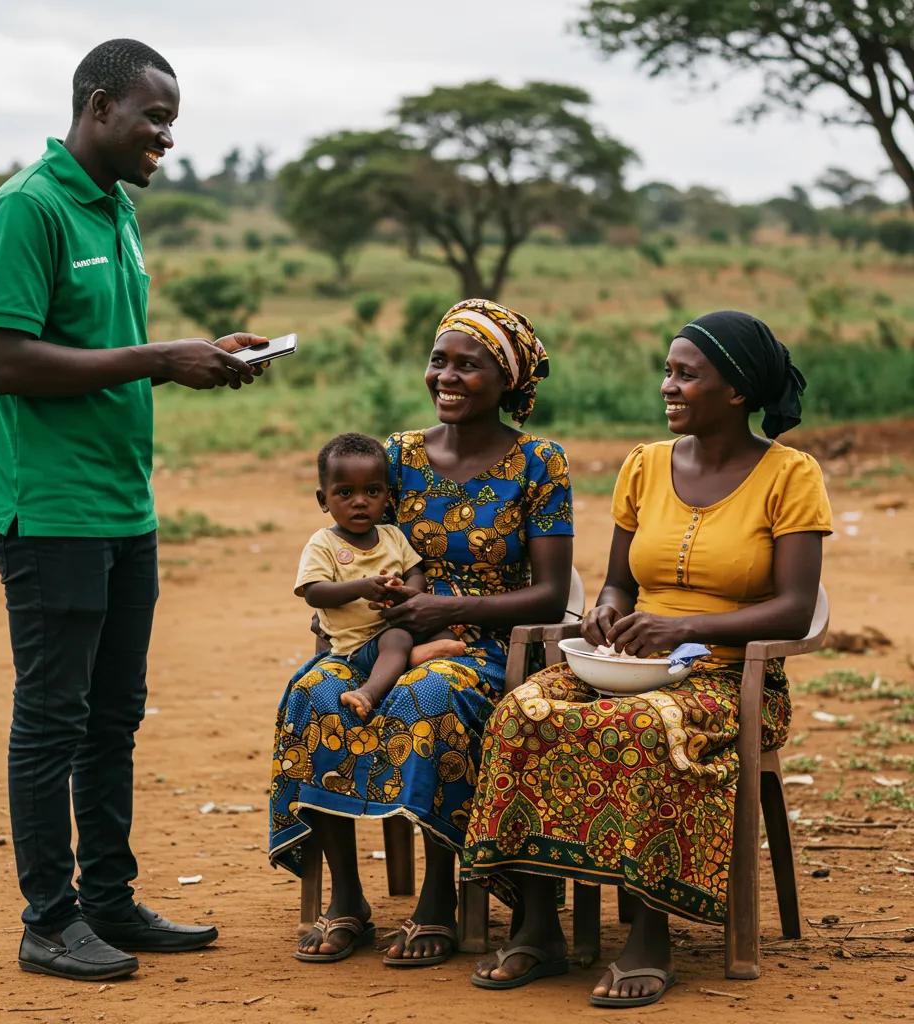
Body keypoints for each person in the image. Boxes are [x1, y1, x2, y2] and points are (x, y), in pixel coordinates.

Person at [0, 39, 270, 982]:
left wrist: (194, 355)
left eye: (172, 122)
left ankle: (106, 900)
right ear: (99, 107)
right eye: (154, 118)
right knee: (53, 717)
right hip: (48, 507)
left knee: (114, 716)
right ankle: (48, 922)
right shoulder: (28, 208)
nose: (166, 138)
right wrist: (159, 358)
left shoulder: (115, 207)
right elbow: (7, 362)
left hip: (122, 503)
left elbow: (104, 343)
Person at [463, 310, 832, 1004]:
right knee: (521, 713)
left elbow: (793, 606)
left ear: (736, 390)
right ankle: (538, 926)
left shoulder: (790, 475)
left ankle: (649, 935)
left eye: (686, 375)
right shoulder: (645, 464)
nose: (668, 386)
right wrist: (607, 610)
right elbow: (618, 582)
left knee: (643, 728)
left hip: (727, 678)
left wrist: (683, 627)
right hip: (625, 663)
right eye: (667, 370)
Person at [269, 298, 573, 966]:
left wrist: (444, 609)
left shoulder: (539, 462)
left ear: (507, 380)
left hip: (490, 646)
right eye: (439, 361)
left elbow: (552, 594)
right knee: (312, 693)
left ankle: (438, 900)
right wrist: (344, 615)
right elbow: (354, 543)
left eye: (469, 365)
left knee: (428, 696)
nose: (447, 377)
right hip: (383, 636)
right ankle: (347, 899)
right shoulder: (399, 455)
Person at [298, 432, 466, 722]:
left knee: (446, 631)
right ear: (323, 499)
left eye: (372, 492)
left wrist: (408, 592)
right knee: (397, 640)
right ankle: (369, 692)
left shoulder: (392, 536)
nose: (360, 502)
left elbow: (415, 572)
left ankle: (408, 655)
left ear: (387, 497)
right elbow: (314, 592)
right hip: (358, 645)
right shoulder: (323, 544)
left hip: (397, 624)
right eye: (345, 493)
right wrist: (360, 588)